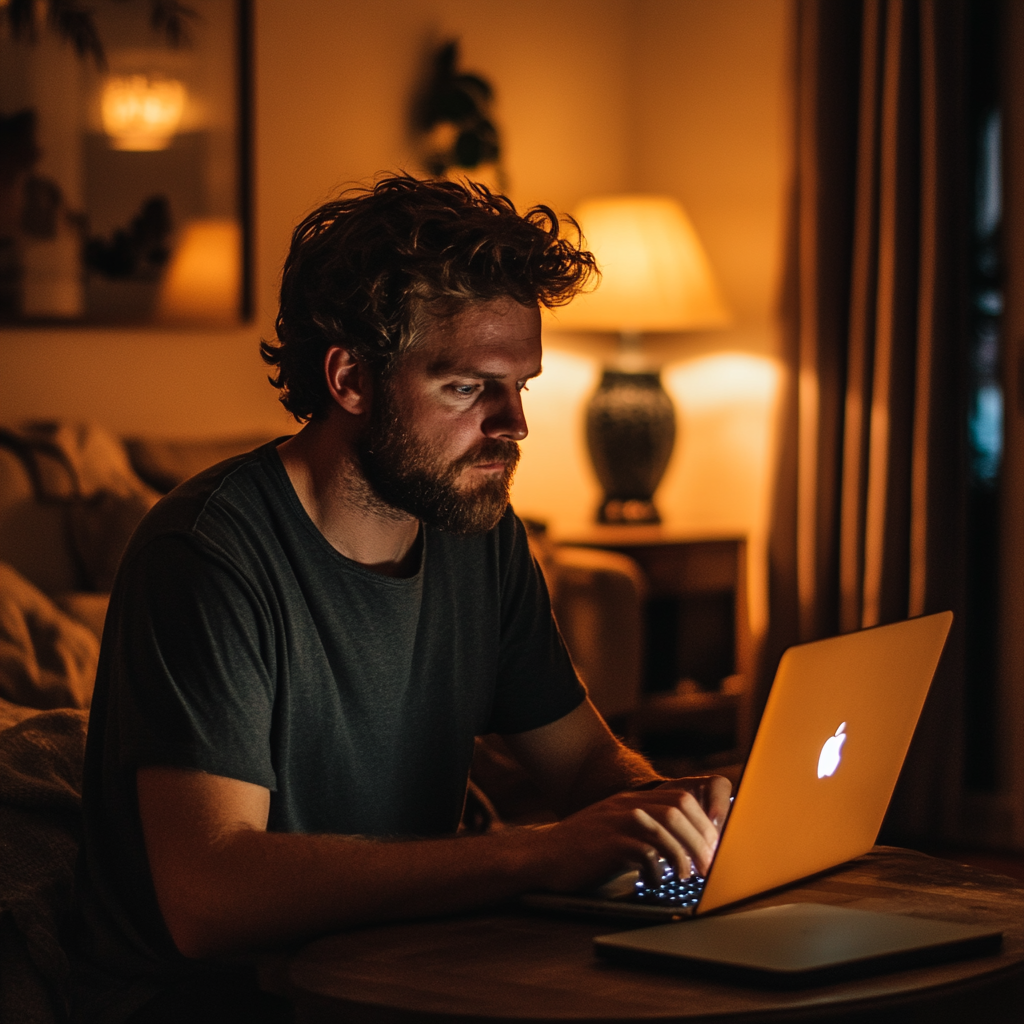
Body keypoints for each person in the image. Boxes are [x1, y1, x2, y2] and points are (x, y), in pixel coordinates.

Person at [70, 175, 731, 1023]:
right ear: (350, 378)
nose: (514, 424)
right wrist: (528, 857)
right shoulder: (207, 555)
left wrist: (671, 814)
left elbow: (581, 767)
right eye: (468, 388)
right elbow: (210, 898)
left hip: (404, 973)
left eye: (521, 385)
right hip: (215, 1002)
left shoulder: (477, 529)